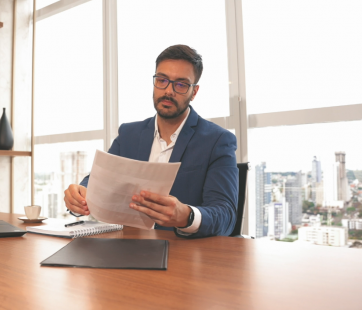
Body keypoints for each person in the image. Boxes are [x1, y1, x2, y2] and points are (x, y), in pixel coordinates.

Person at [64, 44, 238, 238]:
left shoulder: (217, 140)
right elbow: (99, 180)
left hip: (183, 256)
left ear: (194, 92)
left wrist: (186, 216)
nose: (169, 91)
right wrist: (80, 195)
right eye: (162, 80)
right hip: (127, 248)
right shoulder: (129, 133)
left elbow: (226, 216)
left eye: (181, 84)